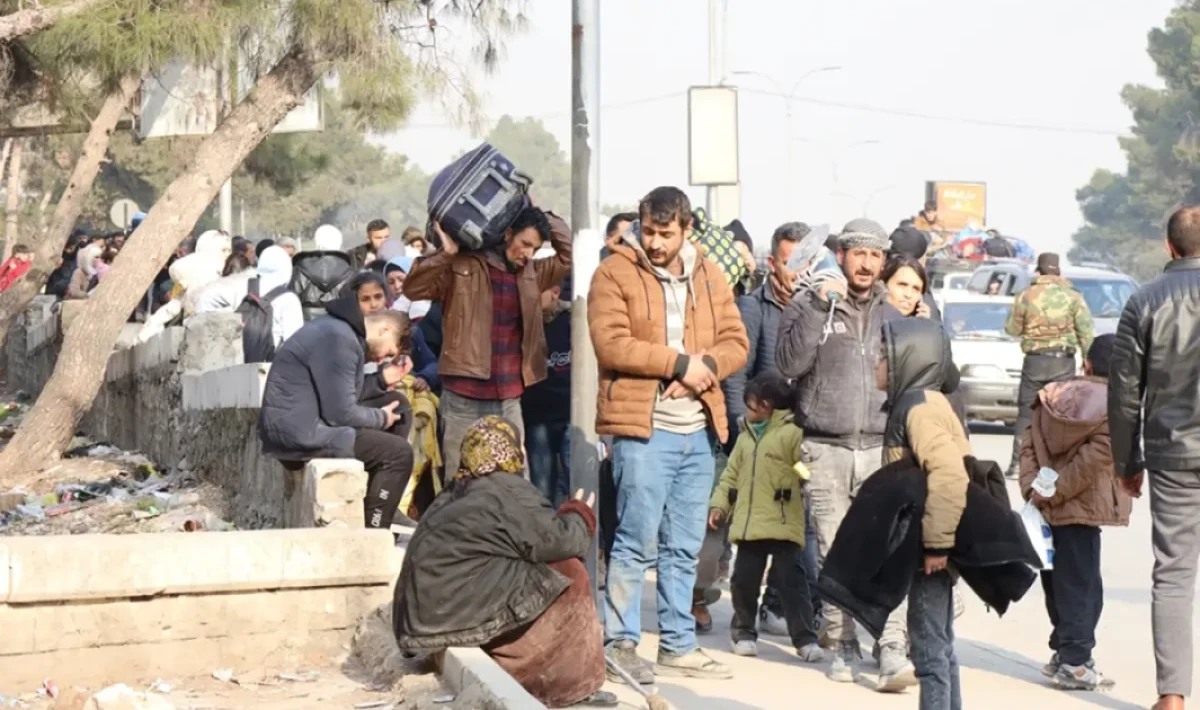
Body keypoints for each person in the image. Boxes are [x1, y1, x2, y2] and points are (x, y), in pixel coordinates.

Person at [588, 186, 748, 682]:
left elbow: (736, 341)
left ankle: (679, 644)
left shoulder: (709, 272)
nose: (656, 243)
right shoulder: (614, 271)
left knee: (684, 547)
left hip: (698, 431)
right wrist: (679, 364)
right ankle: (621, 643)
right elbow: (611, 344)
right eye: (650, 232)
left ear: (686, 229)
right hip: (643, 430)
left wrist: (706, 369)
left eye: (666, 233)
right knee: (634, 541)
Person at [775, 218, 914, 688]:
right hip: (825, 447)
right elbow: (788, 363)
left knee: (887, 550)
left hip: (880, 448)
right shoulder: (808, 303)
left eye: (876, 256)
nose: (867, 264)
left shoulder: (894, 316)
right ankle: (843, 642)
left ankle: (891, 646)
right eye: (859, 254)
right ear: (842, 255)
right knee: (835, 553)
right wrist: (818, 305)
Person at [392, 416, 616, 708]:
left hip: (420, 622)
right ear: (511, 451)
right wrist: (578, 512)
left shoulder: (456, 489)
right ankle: (568, 687)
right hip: (448, 618)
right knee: (570, 572)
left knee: (531, 571)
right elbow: (565, 542)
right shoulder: (506, 489)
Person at [1109, 205, 1200, 710]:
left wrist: (1127, 463)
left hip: (1172, 454)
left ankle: (1172, 697)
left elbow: (1124, 393)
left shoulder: (1143, 302)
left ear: (1170, 247)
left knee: (1173, 574)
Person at [405, 204, 572, 479]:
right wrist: (444, 254)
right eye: (524, 244)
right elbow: (413, 289)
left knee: (514, 480)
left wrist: (537, 210)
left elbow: (569, 253)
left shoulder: (532, 272)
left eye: (535, 248)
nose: (528, 253)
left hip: (509, 396)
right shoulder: (461, 265)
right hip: (462, 395)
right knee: (460, 481)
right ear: (507, 234)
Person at [716, 221, 819, 638]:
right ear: (772, 262)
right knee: (758, 532)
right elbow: (739, 374)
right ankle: (753, 611)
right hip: (759, 434)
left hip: (803, 436)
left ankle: (791, 606)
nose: (795, 271)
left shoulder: (818, 305)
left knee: (801, 528)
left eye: (803, 261)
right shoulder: (754, 309)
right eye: (787, 261)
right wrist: (742, 426)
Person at [1019, 333, 1128, 691]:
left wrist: (1035, 488)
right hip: (1079, 511)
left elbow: (1029, 442)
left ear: (1087, 364)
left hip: (1048, 510)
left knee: (1058, 584)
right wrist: (1057, 491)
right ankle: (1076, 663)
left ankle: (1065, 653)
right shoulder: (1116, 406)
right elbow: (1094, 460)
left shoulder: (1051, 395)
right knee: (1083, 590)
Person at [877, 317, 972, 705]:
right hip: (930, 543)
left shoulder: (920, 408)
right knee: (940, 646)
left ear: (908, 359)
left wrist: (936, 545)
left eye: (884, 356)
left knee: (930, 652)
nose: (877, 363)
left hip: (929, 548)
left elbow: (949, 476)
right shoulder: (924, 401)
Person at [258, 298, 414, 531]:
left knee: (399, 405)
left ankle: (383, 501)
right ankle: (373, 534)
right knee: (399, 454)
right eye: (388, 352)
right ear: (385, 329)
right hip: (300, 435)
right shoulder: (339, 340)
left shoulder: (339, 330)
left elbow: (339, 393)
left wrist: (381, 380)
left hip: (313, 420)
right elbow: (340, 414)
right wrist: (380, 418)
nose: (382, 360)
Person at [707, 372, 822, 662]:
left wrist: (794, 474)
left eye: (750, 405)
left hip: (783, 524)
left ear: (767, 406)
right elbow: (730, 476)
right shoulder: (745, 437)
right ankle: (744, 632)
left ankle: (805, 638)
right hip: (749, 526)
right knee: (743, 582)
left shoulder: (792, 435)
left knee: (793, 585)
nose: (746, 411)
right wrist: (719, 506)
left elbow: (807, 470)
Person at [1004, 252, 1095, 479]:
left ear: (1038, 271)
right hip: (1063, 362)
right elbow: (1086, 332)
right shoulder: (1074, 297)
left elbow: (1012, 329)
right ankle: (1058, 466)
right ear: (1059, 271)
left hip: (1035, 361)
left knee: (1026, 413)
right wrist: (1087, 360)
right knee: (1061, 414)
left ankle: (1017, 465)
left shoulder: (1025, 295)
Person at [522, 278, 572, 506]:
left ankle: (588, 540)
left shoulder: (574, 322)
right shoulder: (523, 325)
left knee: (581, 489)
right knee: (542, 493)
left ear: (554, 292)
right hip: (537, 417)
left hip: (572, 418)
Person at [292, 225, 355, 321]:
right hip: (339, 324)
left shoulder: (300, 269)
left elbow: (291, 301)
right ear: (339, 242)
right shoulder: (349, 272)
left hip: (306, 324)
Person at [881, 254, 933, 319]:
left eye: (916, 289)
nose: (908, 295)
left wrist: (922, 325)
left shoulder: (921, 324)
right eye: (902, 285)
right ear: (883, 285)